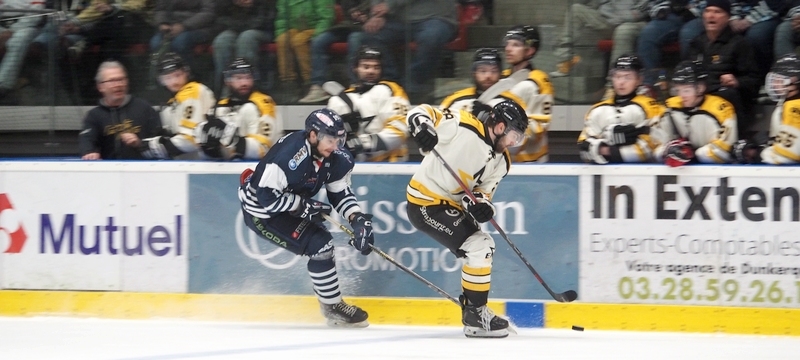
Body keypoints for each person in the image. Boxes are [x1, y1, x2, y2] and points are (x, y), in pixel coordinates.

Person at [238, 108, 373, 327]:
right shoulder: (288, 156)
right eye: (330, 139)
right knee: (320, 245)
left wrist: (357, 218)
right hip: (262, 213)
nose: (336, 146)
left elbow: (339, 191)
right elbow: (267, 199)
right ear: (312, 135)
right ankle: (332, 308)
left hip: (284, 203)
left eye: (339, 139)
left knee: (322, 245)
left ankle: (332, 306)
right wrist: (302, 205)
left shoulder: (335, 156)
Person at [404, 99, 528, 338]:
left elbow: (483, 193)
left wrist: (482, 206)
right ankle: (475, 314)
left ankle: (474, 311)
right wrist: (422, 128)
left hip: (449, 206)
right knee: (480, 246)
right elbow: (422, 111)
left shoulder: (502, 162)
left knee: (483, 247)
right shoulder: (464, 125)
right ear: (500, 126)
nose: (515, 142)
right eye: (514, 135)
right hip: (425, 203)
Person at [685, 0, 760, 140]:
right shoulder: (696, 43)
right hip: (699, 95)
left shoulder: (739, 44)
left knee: (728, 94)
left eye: (717, 12)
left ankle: (736, 140)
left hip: (725, 97)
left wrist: (736, 81)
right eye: (707, 11)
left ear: (728, 18)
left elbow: (753, 79)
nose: (711, 16)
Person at [361, 0, 457, 103]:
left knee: (431, 38)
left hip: (435, 17)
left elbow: (389, 5)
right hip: (397, 20)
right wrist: (377, 15)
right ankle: (390, 84)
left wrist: (390, 4)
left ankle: (413, 87)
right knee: (370, 36)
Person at [325, 45, 411, 161]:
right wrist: (345, 136)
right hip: (356, 169)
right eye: (366, 67)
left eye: (376, 67)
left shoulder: (391, 90)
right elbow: (327, 142)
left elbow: (401, 129)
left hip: (391, 167)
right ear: (355, 68)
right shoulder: (339, 101)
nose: (371, 71)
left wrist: (361, 143)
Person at [578, 55, 664, 164]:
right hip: (604, 175)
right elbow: (584, 147)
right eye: (617, 76)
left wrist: (608, 151)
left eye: (627, 77)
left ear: (639, 80)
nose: (621, 82)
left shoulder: (652, 107)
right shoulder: (598, 110)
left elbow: (655, 144)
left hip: (642, 174)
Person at [652, 60, 737, 166]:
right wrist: (667, 150)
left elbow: (726, 148)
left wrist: (693, 155)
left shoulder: (722, 109)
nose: (681, 95)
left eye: (686, 90)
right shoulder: (669, 107)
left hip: (713, 171)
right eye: (678, 90)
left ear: (700, 88)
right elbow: (655, 144)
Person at [198, 58, 282, 160]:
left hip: (263, 166)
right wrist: (210, 148)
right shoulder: (220, 107)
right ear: (228, 81)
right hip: (227, 166)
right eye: (238, 78)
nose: (244, 83)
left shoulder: (264, 103)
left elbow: (263, 149)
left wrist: (234, 141)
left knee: (248, 109)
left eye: (248, 78)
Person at [79, 61, 163, 160]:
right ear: (100, 87)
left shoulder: (144, 108)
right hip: (109, 171)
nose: (118, 85)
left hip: (143, 169)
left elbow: (160, 139)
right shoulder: (94, 116)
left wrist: (139, 143)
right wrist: (90, 152)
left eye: (121, 80)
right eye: (112, 81)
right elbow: (87, 141)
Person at [142, 52, 216, 160]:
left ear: (186, 73)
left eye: (177, 75)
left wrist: (153, 147)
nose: (174, 82)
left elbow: (190, 138)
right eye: (168, 78)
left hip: (203, 162)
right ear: (161, 80)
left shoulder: (192, 91)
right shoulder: (175, 100)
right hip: (189, 162)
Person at [550, 0, 650, 77]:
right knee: (576, 9)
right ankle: (566, 59)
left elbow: (640, 12)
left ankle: (613, 83)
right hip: (607, 21)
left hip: (633, 23)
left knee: (622, 30)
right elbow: (592, 5)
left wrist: (617, 19)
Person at [299, 0, 369, 103]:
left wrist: (368, 16)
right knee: (318, 42)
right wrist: (352, 12)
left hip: (366, 27)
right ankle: (318, 86)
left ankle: (355, 84)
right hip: (347, 25)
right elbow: (345, 8)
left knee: (354, 41)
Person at [735, 53, 800, 164]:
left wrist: (758, 154)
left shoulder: (794, 107)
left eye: (779, 80)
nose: (774, 85)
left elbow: (788, 155)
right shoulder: (786, 104)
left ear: (795, 80)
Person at [502, 25, 554, 163]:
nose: (508, 48)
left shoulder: (539, 81)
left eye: (516, 45)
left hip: (531, 161)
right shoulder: (501, 78)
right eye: (507, 44)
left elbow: (540, 124)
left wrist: (510, 131)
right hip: (502, 160)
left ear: (530, 50)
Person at [272, 0, 335, 102]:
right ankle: (289, 84)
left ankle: (309, 83)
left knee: (299, 41)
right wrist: (281, 32)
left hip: (316, 28)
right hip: (294, 29)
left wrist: (316, 34)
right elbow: (281, 19)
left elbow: (326, 18)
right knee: (283, 40)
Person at [211, 0, 275, 95]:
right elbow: (219, 14)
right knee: (222, 41)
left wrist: (254, 3)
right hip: (235, 27)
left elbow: (268, 16)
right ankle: (225, 90)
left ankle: (248, 88)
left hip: (262, 29)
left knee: (246, 39)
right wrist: (233, 3)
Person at [440, 48, 525, 117]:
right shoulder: (455, 100)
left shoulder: (513, 102)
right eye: (483, 71)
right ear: (474, 73)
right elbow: (438, 125)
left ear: (501, 74)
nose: (488, 76)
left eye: (494, 71)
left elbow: (529, 132)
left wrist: (494, 118)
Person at [150, 0, 220, 70]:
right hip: (171, 26)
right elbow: (160, 9)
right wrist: (162, 23)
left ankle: (190, 75)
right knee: (156, 42)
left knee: (180, 42)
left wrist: (184, 26)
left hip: (199, 28)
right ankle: (164, 76)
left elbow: (209, 13)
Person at [0, 0, 44, 98]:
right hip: (3, 25)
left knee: (17, 41)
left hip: (26, 27)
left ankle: (3, 85)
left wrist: (11, 30)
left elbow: (35, 16)